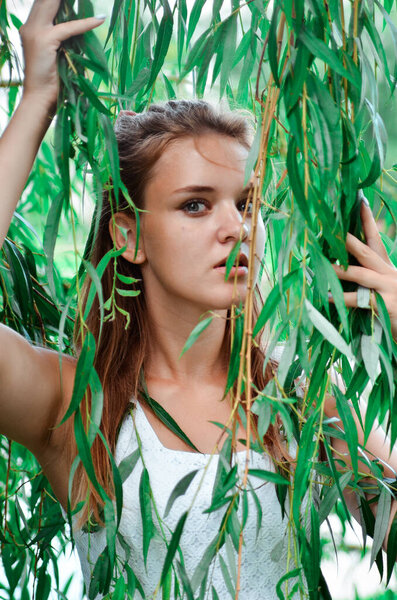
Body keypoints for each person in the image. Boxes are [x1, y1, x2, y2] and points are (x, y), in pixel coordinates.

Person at [1, 1, 397, 598]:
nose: (236, 228)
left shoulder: (300, 403)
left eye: (247, 203)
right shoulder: (76, 405)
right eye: (195, 204)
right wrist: (36, 104)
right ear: (127, 235)